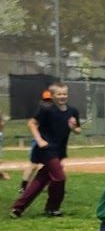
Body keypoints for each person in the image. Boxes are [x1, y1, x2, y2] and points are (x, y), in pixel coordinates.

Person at [12, 82, 82, 219]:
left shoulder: (72, 111)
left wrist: (73, 127)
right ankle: (53, 207)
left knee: (41, 179)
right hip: (47, 149)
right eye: (59, 94)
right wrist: (39, 140)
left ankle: (18, 208)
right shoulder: (47, 109)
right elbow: (32, 123)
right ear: (53, 95)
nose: (62, 96)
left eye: (65, 94)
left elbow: (78, 130)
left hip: (60, 150)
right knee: (60, 178)